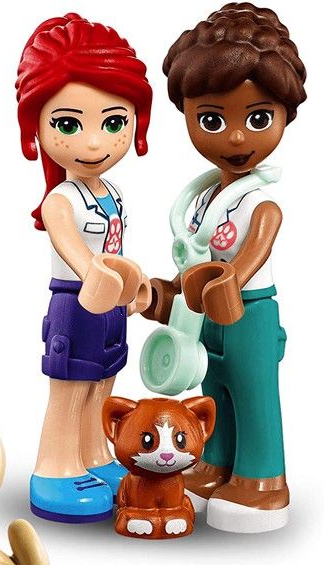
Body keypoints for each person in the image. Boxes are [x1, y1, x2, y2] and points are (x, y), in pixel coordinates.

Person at [147, 3, 307, 533]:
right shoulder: (202, 200)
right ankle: (214, 463)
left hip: (248, 312)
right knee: (213, 388)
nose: (236, 138)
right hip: (206, 311)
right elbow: (194, 252)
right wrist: (169, 291)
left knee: (254, 394)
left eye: (258, 118)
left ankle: (263, 480)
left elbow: (250, 254)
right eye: (212, 120)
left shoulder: (260, 203)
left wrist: (228, 279)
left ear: (284, 115)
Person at [15, 14, 153, 523]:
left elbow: (116, 250)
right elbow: (77, 253)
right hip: (76, 302)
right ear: (36, 127)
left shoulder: (112, 192)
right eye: (69, 124)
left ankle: (93, 455)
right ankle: (55, 468)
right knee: (71, 387)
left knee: (103, 381)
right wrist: (105, 277)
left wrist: (134, 285)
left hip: (110, 304)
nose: (94, 143)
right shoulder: (61, 200)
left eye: (113, 123)